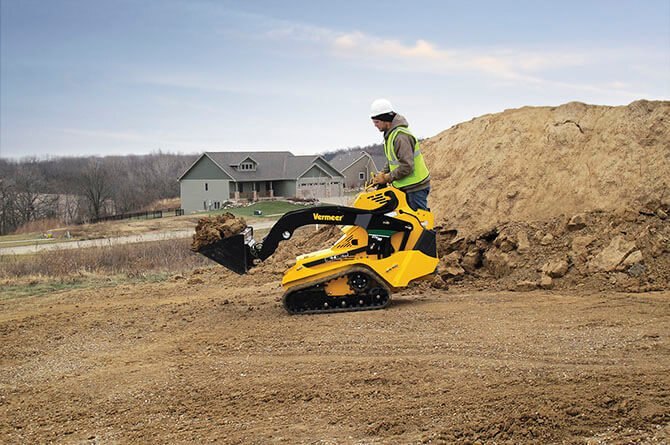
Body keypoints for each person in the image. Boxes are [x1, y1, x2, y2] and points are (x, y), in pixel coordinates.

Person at [370, 98, 431, 211]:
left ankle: (427, 230)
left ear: (385, 120)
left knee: (418, 222)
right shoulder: (391, 134)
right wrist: (382, 173)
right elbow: (392, 160)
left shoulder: (400, 137)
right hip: (405, 186)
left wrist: (387, 178)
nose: (375, 125)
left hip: (415, 187)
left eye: (377, 122)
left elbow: (407, 166)